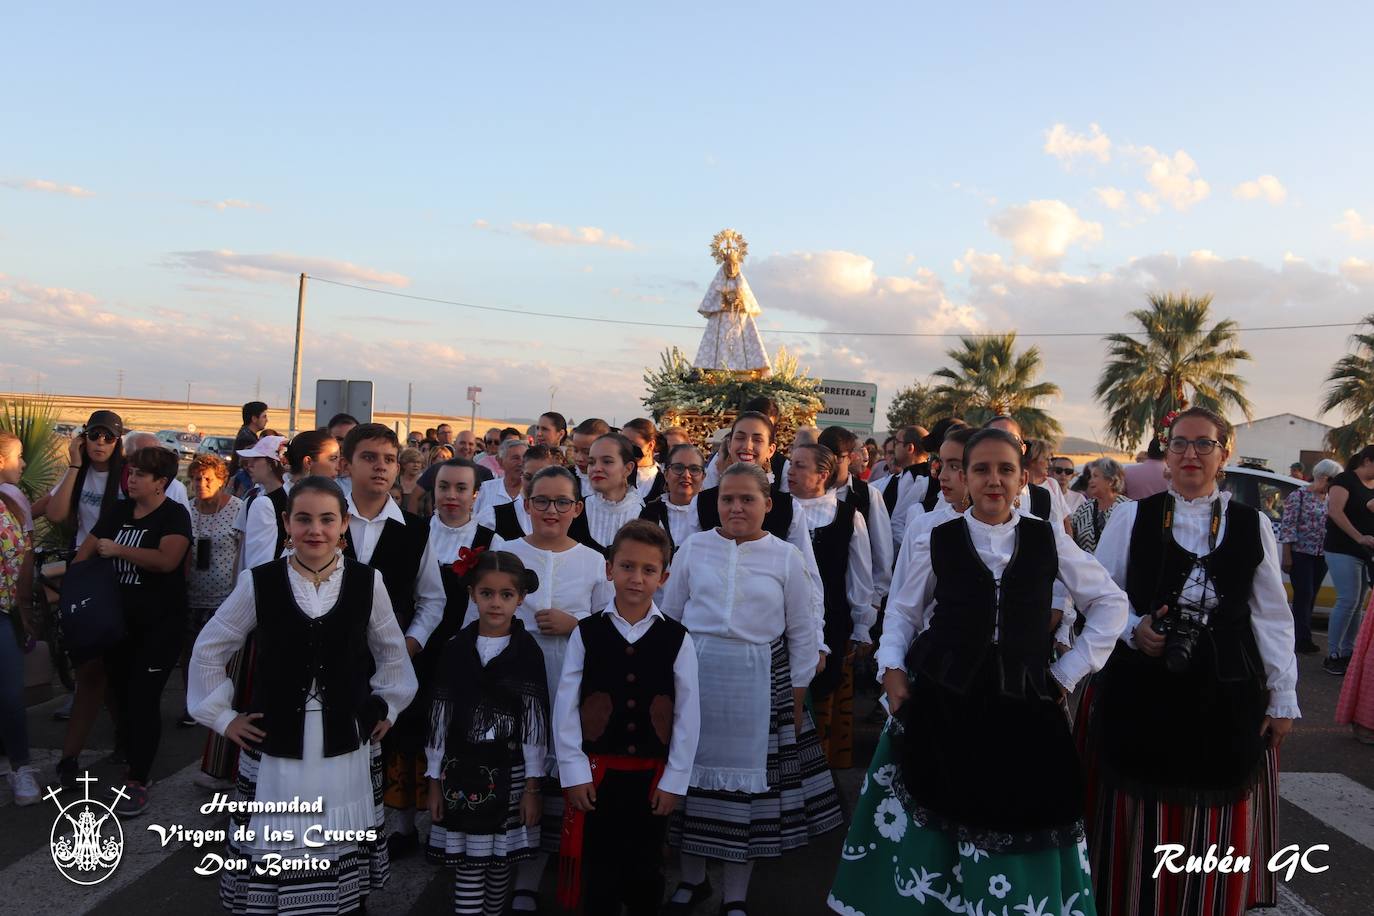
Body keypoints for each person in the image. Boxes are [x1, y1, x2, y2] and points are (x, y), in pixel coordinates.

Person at [831, 428, 1128, 916]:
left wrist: (1068, 670)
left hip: (1024, 705)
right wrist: (891, 669)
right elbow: (905, 612)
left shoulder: (1046, 535)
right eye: (982, 469)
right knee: (936, 815)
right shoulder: (938, 536)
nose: (994, 480)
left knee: (1020, 812)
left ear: (1022, 478)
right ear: (963, 477)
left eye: (1005, 469)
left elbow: (1110, 603)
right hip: (945, 701)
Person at [1083, 407, 1299, 915]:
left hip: (1226, 692)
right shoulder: (1133, 515)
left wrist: (1283, 694)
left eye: (1204, 444)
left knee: (1215, 814)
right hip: (1144, 691)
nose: (1190, 454)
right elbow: (1099, 594)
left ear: (1225, 454)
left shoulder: (1252, 525)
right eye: (1180, 444)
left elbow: (1271, 615)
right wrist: (1134, 628)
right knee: (1141, 809)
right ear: (1166, 454)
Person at [189, 476, 417, 914]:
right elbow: (210, 647)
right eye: (304, 519)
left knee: (338, 848)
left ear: (344, 524)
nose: (316, 530)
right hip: (278, 741)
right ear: (286, 523)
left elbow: (391, 651)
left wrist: (390, 703)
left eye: (327, 519)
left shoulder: (369, 581)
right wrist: (221, 716)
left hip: (345, 740)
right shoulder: (261, 581)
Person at [664, 464, 841, 916]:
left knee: (746, 797)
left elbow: (803, 630)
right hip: (696, 681)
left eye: (747, 499)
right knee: (690, 785)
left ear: (768, 504)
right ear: (716, 502)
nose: (736, 507)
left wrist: (798, 692)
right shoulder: (693, 548)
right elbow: (670, 618)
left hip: (759, 685)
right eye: (727, 499)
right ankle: (692, 880)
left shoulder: (786, 558)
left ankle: (736, 895)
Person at [466, 465, 612, 912]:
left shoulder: (592, 559)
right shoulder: (505, 551)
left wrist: (577, 625)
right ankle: (504, 869)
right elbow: (475, 618)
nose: (552, 511)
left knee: (551, 782)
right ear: (525, 505)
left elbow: (610, 625)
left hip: (568, 681)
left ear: (577, 508)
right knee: (513, 777)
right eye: (542, 502)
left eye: (562, 502)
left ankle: (536, 873)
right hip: (509, 684)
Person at [554, 521, 700, 916]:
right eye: (627, 567)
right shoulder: (586, 633)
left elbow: (688, 714)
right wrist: (575, 772)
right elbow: (566, 706)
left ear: (664, 577)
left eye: (648, 570)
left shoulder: (677, 638)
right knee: (599, 872)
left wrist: (674, 780)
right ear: (609, 569)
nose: (636, 578)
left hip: (652, 778)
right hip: (598, 775)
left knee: (645, 870)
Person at [425, 550, 549, 916]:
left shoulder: (528, 653)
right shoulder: (454, 650)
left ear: (521, 598)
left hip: (509, 776)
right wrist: (433, 780)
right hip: (460, 774)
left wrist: (532, 787)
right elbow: (439, 716)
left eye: (506, 595)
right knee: (470, 866)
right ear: (472, 593)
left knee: (500, 867)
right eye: (487, 593)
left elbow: (534, 724)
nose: (496, 603)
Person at [337, 423, 441, 856]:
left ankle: (397, 829)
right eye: (369, 457)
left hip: (386, 663)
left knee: (393, 743)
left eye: (389, 459)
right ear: (346, 464)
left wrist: (409, 646)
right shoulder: (325, 516)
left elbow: (431, 599)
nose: (381, 467)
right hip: (329, 660)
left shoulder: (415, 530)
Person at [72, 443, 191, 813]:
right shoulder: (120, 510)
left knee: (143, 697)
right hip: (117, 624)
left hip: (160, 626)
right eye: (130, 472)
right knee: (122, 694)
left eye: (140, 473)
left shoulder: (174, 516)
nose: (131, 478)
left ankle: (138, 779)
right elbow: (85, 553)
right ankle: (129, 749)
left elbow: (166, 561)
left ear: (161, 482)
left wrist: (120, 551)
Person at [786, 444, 874, 769]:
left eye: (799, 466)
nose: (790, 472)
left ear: (822, 474)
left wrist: (863, 624)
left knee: (823, 693)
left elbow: (860, 577)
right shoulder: (778, 509)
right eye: (790, 465)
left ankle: (817, 773)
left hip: (832, 621)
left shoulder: (848, 515)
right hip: (783, 621)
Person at [177, 454, 243, 730]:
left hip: (224, 596)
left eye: (208, 479)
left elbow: (243, 550)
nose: (201, 484)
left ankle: (221, 705)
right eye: (196, 479)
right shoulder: (186, 510)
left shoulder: (238, 509)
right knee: (190, 653)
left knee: (220, 655)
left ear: (222, 481)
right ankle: (192, 703)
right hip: (191, 594)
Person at [0, 433, 39, 805]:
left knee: (11, 696)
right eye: (18, 458)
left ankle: (21, 767)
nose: (23, 464)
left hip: (3, 615)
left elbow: (21, 560)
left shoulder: (8, 501)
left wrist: (22, 609)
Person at [819, 425, 893, 605]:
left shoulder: (868, 495)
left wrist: (874, 601)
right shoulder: (810, 492)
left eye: (836, 457)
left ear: (850, 458)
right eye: (823, 456)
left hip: (852, 600)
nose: (828, 463)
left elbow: (881, 550)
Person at [1280, 458, 1341, 654]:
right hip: (1301, 553)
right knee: (1303, 595)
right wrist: (1287, 557)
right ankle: (1300, 639)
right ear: (1324, 477)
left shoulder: (1329, 499)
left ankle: (1303, 635)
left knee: (1311, 595)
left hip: (1321, 554)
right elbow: (1288, 527)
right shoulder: (1299, 496)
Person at [1322, 444, 1374, 675]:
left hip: (1365, 553)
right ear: (1368, 461)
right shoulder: (1344, 480)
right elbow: (1335, 512)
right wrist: (1359, 537)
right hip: (1342, 548)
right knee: (1347, 599)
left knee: (1356, 604)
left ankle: (1348, 651)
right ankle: (1332, 653)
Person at [45, 410, 126, 549]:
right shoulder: (78, 472)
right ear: (83, 439)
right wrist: (74, 465)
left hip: (117, 557)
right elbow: (55, 515)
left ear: (117, 443)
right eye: (94, 435)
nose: (100, 442)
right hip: (82, 556)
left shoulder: (129, 475)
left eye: (109, 437)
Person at [572, 433, 646, 554]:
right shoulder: (575, 511)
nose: (596, 468)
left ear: (628, 469)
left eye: (607, 461)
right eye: (591, 462)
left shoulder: (647, 516)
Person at [638, 443, 706, 557]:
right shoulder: (649, 513)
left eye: (694, 469)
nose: (686, 475)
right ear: (666, 474)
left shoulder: (713, 513)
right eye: (678, 468)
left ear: (703, 476)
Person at [476, 445, 556, 540]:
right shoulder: (492, 516)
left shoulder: (565, 516)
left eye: (542, 478)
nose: (534, 485)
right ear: (522, 475)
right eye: (529, 477)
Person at [235, 435, 289, 571]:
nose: (249, 465)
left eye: (257, 459)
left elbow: (259, 563)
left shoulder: (288, 502)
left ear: (273, 463)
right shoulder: (252, 499)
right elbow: (242, 552)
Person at [1070, 456, 1130, 553]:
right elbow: (1071, 537)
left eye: (1095, 476)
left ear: (1111, 480)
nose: (1090, 481)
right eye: (1090, 477)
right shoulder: (1084, 508)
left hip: (1117, 567)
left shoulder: (1127, 507)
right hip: (1088, 567)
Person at [474, 439, 528, 521]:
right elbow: (474, 520)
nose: (521, 463)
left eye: (525, 459)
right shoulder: (487, 489)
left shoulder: (534, 492)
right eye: (515, 458)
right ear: (500, 462)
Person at [623, 418, 668, 502]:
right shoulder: (615, 476)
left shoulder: (664, 481)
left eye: (632, 444)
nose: (626, 449)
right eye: (623, 444)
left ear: (651, 445)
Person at [570, 418, 611, 493]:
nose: (579, 458)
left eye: (587, 452)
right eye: (575, 450)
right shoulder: (566, 477)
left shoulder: (616, 481)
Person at [1123, 434, 1169, 500]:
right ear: (1167, 453)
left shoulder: (1128, 471)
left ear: (1148, 451)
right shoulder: (1174, 476)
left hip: (1135, 509)